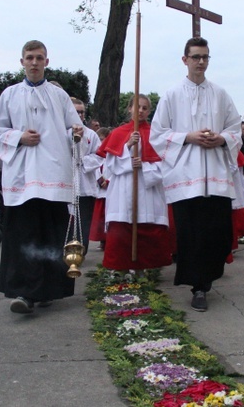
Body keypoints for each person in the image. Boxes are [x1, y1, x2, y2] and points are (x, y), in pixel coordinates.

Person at [0, 40, 85, 314]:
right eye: (29, 57)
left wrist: (74, 134)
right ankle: (24, 293)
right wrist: (19, 137)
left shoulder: (59, 96)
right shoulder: (9, 95)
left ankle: (49, 291)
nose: (34, 62)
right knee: (24, 235)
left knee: (51, 235)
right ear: (22, 62)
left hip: (53, 177)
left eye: (39, 58)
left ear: (46, 61)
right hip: (22, 177)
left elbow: (72, 129)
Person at [150, 36, 242, 312]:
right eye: (196, 57)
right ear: (185, 60)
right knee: (191, 233)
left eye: (205, 57)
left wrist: (222, 139)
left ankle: (209, 277)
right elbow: (158, 134)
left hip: (215, 176)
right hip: (186, 176)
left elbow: (235, 128)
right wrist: (188, 137)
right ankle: (198, 286)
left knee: (216, 231)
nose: (201, 62)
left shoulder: (220, 94)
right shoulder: (172, 95)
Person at [98, 94, 172, 273]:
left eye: (145, 108)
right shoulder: (118, 133)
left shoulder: (156, 135)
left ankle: (146, 268)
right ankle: (120, 267)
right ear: (129, 108)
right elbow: (109, 166)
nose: (140, 111)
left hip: (147, 189)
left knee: (147, 226)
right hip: (123, 188)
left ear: (149, 111)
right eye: (137, 107)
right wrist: (127, 148)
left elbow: (165, 166)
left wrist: (144, 167)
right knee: (122, 228)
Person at [70, 97, 102, 254]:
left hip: (85, 185)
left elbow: (100, 155)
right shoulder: (62, 132)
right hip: (67, 185)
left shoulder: (91, 135)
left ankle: (80, 253)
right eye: (76, 112)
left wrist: (83, 161)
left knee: (83, 222)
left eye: (82, 112)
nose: (80, 115)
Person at [89, 127, 111, 251]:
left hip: (109, 191)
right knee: (100, 218)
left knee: (108, 217)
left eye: (104, 140)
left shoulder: (112, 155)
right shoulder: (97, 155)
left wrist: (108, 181)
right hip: (100, 190)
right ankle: (102, 240)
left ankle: (108, 240)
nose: (102, 143)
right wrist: (99, 179)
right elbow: (94, 168)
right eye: (100, 140)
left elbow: (115, 170)